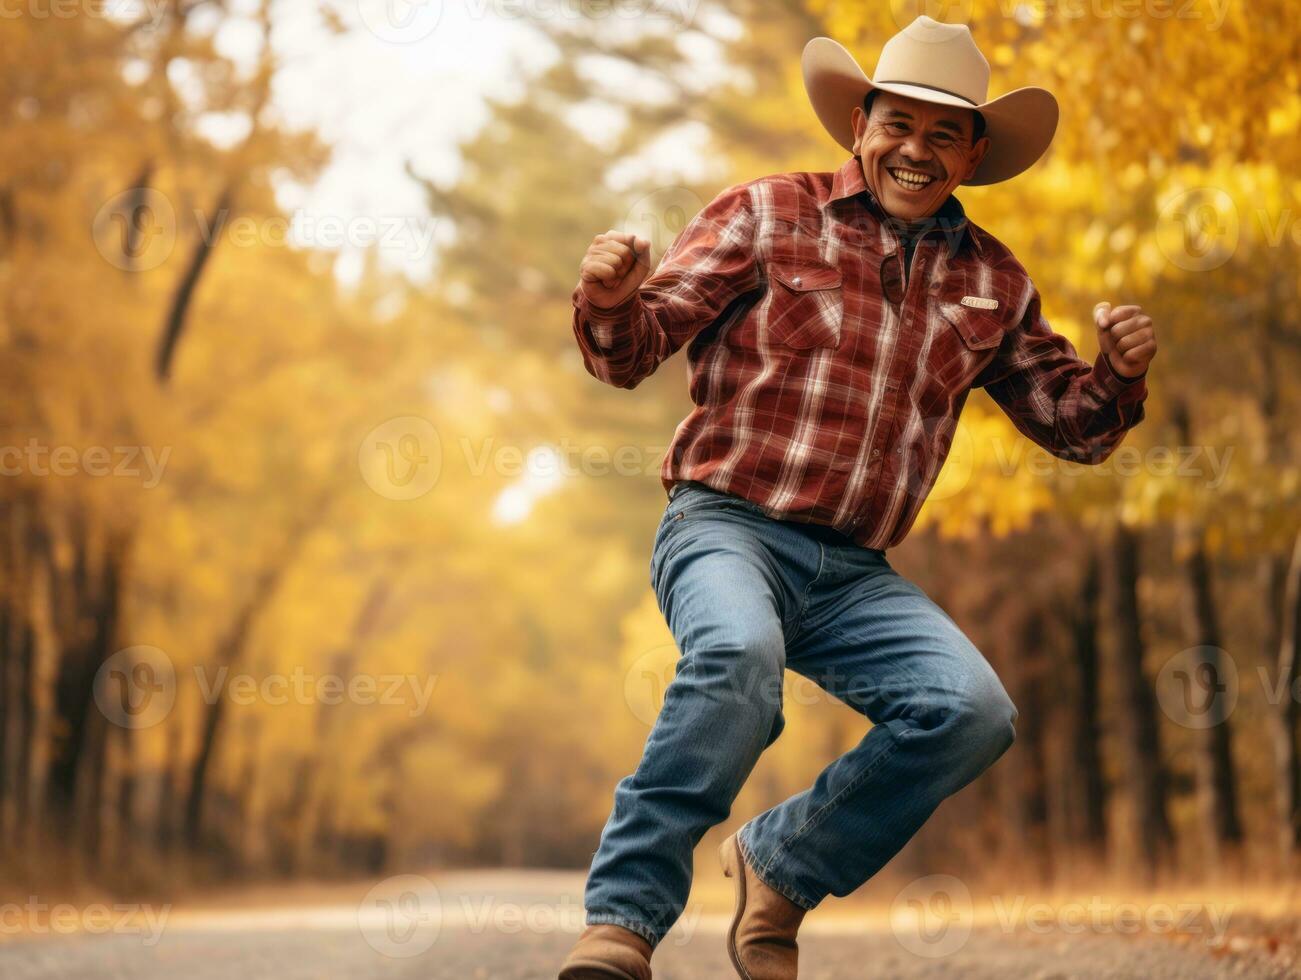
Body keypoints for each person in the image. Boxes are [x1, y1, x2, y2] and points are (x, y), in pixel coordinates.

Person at [559, 16, 1156, 980]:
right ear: (860, 125)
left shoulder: (994, 281)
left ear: (970, 155)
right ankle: (623, 920)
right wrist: (613, 300)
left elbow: (1070, 425)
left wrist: (1118, 378)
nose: (915, 150)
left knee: (970, 712)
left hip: (854, 576)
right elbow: (634, 353)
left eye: (943, 134)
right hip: (726, 525)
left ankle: (780, 866)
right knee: (736, 656)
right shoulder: (764, 213)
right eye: (898, 123)